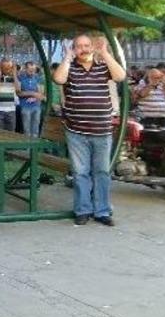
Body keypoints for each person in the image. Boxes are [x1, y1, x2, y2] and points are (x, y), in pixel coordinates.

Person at [53, 34, 126, 227]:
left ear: (92, 47)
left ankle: (102, 211)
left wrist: (105, 53)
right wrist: (67, 58)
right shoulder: (70, 68)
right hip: (76, 131)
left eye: (87, 45)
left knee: (101, 172)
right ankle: (83, 210)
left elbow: (121, 76)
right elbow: (58, 78)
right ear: (74, 49)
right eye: (79, 46)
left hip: (102, 131)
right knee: (80, 173)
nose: (83, 49)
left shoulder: (103, 67)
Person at [0, 59, 19, 131]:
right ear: (0, 67)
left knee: (11, 135)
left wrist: (14, 75)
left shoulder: (14, 78)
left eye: (9, 67)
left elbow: (18, 90)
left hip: (11, 110)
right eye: (5, 67)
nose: (7, 69)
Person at [17, 61, 44, 137]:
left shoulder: (38, 78)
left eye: (34, 70)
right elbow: (19, 93)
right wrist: (33, 93)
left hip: (36, 106)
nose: (32, 72)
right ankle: (27, 148)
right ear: (25, 69)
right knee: (26, 130)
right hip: (25, 107)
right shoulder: (20, 78)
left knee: (35, 131)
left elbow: (41, 94)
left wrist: (33, 97)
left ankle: (34, 148)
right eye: (30, 70)